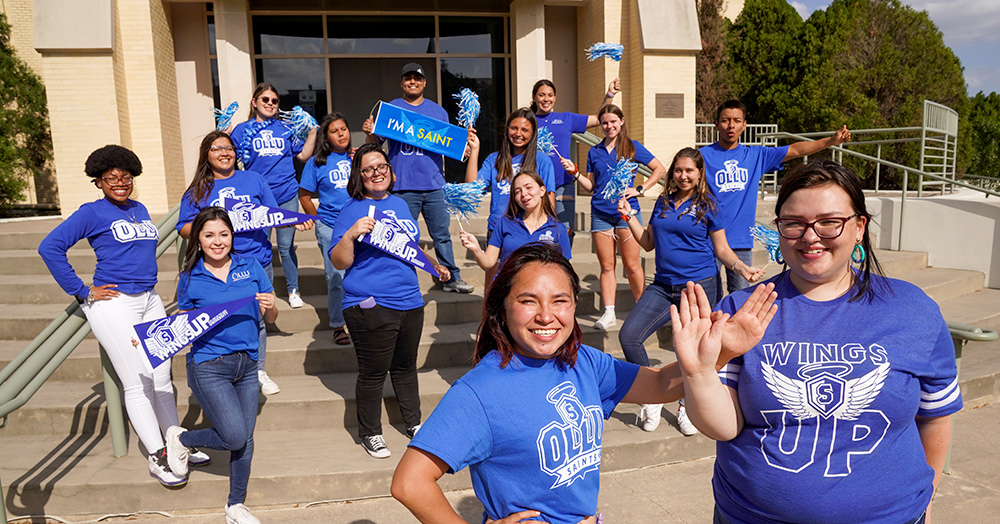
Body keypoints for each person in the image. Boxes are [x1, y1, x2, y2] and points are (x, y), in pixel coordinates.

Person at [390, 243, 778, 524]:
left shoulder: (584, 362)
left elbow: (660, 386)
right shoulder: (479, 392)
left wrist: (717, 356)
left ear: (575, 305)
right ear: (501, 308)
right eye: (528, 301)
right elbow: (409, 483)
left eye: (560, 300)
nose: (546, 316)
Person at [674, 160, 961, 524]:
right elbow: (724, 427)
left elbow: (936, 417)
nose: (810, 236)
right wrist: (698, 372)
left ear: (859, 228)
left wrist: (927, 495)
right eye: (794, 224)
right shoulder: (739, 310)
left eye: (829, 222)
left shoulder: (913, 309)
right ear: (779, 231)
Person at [37, 144, 208, 487]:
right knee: (137, 381)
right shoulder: (92, 212)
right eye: (111, 177)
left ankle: (175, 441)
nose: (119, 182)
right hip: (114, 304)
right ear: (98, 181)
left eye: (126, 177)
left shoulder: (139, 208)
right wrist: (82, 290)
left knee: (161, 378)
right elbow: (49, 247)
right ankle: (158, 456)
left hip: (149, 300)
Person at [617, 147, 765, 436]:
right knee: (629, 336)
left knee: (694, 351)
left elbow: (721, 249)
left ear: (699, 174)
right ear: (672, 173)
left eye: (690, 171)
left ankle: (686, 404)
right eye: (678, 170)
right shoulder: (662, 202)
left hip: (699, 288)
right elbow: (647, 243)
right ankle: (651, 398)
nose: (683, 176)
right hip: (662, 286)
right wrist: (628, 217)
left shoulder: (709, 205)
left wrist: (740, 268)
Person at [330, 143, 451, 459]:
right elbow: (339, 261)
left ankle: (414, 423)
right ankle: (370, 432)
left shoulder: (399, 205)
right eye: (368, 169)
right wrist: (350, 235)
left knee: (405, 367)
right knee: (373, 373)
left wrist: (433, 265)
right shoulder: (351, 209)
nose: (376, 173)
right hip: (370, 302)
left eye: (381, 166)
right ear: (359, 175)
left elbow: (407, 246)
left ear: (390, 170)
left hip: (410, 300)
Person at [165, 207, 278, 524]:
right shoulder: (189, 277)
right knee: (235, 437)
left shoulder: (251, 265)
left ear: (232, 235)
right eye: (209, 235)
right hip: (209, 366)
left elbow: (270, 318)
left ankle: (235, 505)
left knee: (245, 438)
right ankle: (182, 439)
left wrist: (271, 307)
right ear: (198, 240)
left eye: (224, 234)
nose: (218, 241)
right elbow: (183, 323)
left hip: (248, 365)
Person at [700, 99, 851, 295]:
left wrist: (830, 142)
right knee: (707, 299)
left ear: (744, 125)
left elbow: (796, 150)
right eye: (725, 120)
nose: (731, 125)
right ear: (716, 124)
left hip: (740, 242)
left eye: (736, 120)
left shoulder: (756, 155)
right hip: (706, 240)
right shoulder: (702, 156)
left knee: (740, 298)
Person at [177, 130, 285, 395]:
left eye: (229, 148)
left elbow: (273, 214)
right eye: (216, 148)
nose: (224, 153)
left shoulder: (254, 179)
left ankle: (258, 369)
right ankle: (224, 368)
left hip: (256, 260)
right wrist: (214, 229)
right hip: (218, 264)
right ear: (206, 154)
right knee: (229, 318)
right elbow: (183, 228)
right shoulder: (197, 190)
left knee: (258, 319)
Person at [361, 62, 472, 294]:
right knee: (401, 236)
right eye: (408, 78)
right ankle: (398, 279)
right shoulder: (391, 109)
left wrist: (466, 146)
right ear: (402, 83)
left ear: (424, 83)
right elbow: (375, 146)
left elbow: (451, 146)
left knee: (442, 236)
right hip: (402, 185)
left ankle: (451, 278)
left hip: (434, 186)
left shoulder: (438, 112)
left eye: (417, 78)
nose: (412, 82)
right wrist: (369, 133)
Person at [575, 104, 666, 331]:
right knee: (607, 267)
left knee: (632, 265)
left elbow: (659, 169)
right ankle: (609, 313)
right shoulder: (594, 151)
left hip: (627, 214)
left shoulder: (632, 147)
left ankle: (643, 310)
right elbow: (591, 186)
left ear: (622, 121)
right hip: (601, 214)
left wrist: (640, 189)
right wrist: (575, 174)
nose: (608, 126)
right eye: (604, 122)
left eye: (613, 122)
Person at [230, 82, 318, 308]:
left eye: (274, 101)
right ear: (254, 102)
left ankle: (293, 290)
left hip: (286, 194)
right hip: (257, 199)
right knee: (260, 246)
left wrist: (313, 131)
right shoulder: (242, 130)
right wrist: (224, 133)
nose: (270, 104)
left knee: (286, 246)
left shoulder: (285, 129)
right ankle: (259, 291)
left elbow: (303, 155)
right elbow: (228, 157)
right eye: (265, 100)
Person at [464, 107, 557, 281]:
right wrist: (474, 151)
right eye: (514, 128)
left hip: (531, 231)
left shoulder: (542, 161)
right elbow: (471, 190)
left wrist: (550, 229)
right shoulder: (494, 159)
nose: (518, 133)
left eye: (525, 130)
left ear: (533, 133)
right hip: (498, 230)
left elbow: (549, 202)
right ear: (507, 130)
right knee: (493, 290)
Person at [530, 78, 621, 241]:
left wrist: (609, 95)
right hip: (535, 185)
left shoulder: (566, 118)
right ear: (534, 97)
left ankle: (564, 264)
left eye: (550, 95)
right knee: (538, 229)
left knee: (565, 230)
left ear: (555, 97)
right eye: (542, 95)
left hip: (563, 185)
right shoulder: (527, 121)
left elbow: (597, 119)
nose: (546, 99)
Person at [299, 112, 354, 346]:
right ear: (326, 136)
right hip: (330, 226)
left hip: (360, 225)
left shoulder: (357, 157)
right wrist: (318, 219)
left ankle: (361, 321)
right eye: (334, 131)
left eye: (343, 129)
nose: (340, 134)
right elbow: (304, 196)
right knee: (336, 277)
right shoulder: (316, 162)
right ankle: (338, 325)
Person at [459, 171, 571, 274]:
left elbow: (565, 270)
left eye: (528, 187)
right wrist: (476, 249)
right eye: (517, 191)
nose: (524, 194)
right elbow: (488, 263)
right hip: (509, 290)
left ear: (542, 191)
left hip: (541, 292)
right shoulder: (504, 223)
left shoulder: (558, 228)